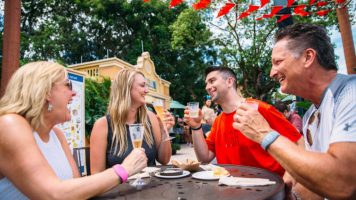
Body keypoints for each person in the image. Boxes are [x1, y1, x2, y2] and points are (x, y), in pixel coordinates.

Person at [233, 24, 356, 199]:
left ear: (308, 57)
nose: (272, 72)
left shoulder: (351, 93)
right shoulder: (310, 115)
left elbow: (342, 184)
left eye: (278, 62)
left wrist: (264, 134)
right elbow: (318, 178)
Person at [0, 61, 147, 199]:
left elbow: (79, 191)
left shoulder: (57, 135)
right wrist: (124, 170)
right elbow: (53, 194)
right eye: (67, 85)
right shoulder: (9, 124)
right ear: (45, 92)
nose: (74, 93)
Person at [184, 66, 302, 176]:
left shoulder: (259, 109)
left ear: (230, 81)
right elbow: (204, 158)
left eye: (212, 81)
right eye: (206, 83)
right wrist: (196, 127)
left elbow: (299, 143)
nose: (207, 87)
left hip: (268, 190)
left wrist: (289, 182)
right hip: (232, 190)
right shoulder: (218, 121)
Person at [90, 68, 174, 174]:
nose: (147, 90)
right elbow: (96, 175)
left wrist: (164, 130)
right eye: (142, 85)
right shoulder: (102, 125)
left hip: (153, 187)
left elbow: (164, 160)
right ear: (126, 88)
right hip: (122, 189)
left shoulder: (151, 118)